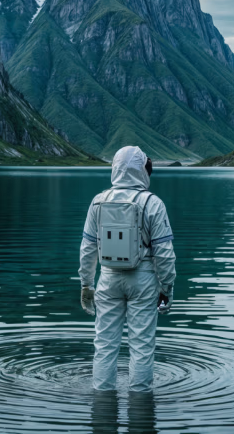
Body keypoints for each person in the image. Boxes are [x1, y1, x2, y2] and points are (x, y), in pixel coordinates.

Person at [79, 146, 176, 393]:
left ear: (116, 169)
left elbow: (88, 248)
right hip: (143, 280)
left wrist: (86, 285)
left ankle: (102, 401)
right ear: (142, 170)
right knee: (142, 346)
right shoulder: (153, 203)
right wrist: (167, 288)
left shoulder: (98, 201)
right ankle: (141, 403)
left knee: (104, 344)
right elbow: (164, 254)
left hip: (108, 278)